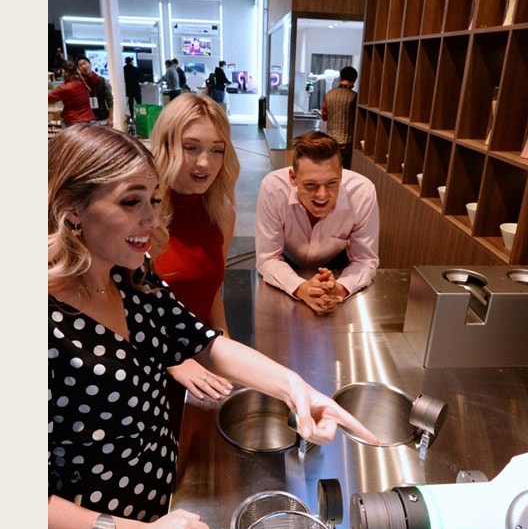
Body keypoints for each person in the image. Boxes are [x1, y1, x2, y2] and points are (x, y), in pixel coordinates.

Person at [48, 124, 380, 529]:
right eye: (130, 202)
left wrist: (296, 389)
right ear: (72, 212)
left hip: (159, 525)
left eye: (153, 200)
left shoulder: (131, 279)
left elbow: (203, 341)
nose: (150, 221)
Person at [148, 93, 239, 416]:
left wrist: (223, 340)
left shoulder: (220, 213)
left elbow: (210, 287)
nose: (205, 163)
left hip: (199, 360)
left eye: (217, 150)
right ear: (167, 145)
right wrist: (173, 359)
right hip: (143, 367)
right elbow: (115, 305)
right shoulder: (142, 212)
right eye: (191, 148)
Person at [254, 130, 380, 314]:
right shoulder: (273, 189)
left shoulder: (362, 193)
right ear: (293, 178)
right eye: (310, 185)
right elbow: (268, 257)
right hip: (286, 261)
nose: (322, 195)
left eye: (331, 183)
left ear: (341, 175)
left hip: (336, 263)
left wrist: (342, 288)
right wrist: (301, 288)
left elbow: (365, 259)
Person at [321, 65, 359, 168]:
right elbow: (358, 120)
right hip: (347, 143)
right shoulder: (354, 97)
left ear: (341, 78)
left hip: (331, 140)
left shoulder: (329, 94)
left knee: (330, 168)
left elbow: (324, 116)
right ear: (354, 80)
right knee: (345, 171)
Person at [48, 62, 95, 126]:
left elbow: (49, 98)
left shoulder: (65, 88)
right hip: (87, 119)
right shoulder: (81, 83)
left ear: (63, 72)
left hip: (74, 120)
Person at [76, 56, 112, 124]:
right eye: (80, 65)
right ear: (78, 69)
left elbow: (110, 100)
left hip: (102, 118)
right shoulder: (78, 84)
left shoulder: (102, 81)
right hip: (85, 120)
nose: (83, 66)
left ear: (90, 64)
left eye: (85, 63)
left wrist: (111, 118)